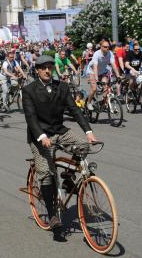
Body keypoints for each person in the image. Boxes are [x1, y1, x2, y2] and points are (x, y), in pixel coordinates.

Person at [22, 55, 97, 242]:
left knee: (82, 146)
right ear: (37, 70)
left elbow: (74, 110)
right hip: (40, 135)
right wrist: (42, 137)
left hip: (59, 130)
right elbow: (31, 118)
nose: (48, 70)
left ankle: (67, 178)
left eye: (50, 67)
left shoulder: (62, 87)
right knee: (46, 173)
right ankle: (53, 216)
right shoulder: (29, 90)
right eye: (44, 68)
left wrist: (88, 131)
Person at [86, 40, 121, 111]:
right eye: (105, 47)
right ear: (101, 47)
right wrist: (96, 78)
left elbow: (114, 65)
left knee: (106, 87)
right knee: (94, 88)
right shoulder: (97, 54)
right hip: (92, 71)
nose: (107, 48)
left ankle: (103, 102)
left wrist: (118, 76)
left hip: (103, 72)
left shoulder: (110, 53)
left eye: (108, 47)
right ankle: (88, 103)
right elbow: (95, 66)